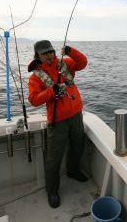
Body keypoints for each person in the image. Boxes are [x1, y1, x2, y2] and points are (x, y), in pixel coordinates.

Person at [27, 40, 88, 208]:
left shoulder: (65, 63)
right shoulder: (35, 77)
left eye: (51, 51)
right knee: (54, 158)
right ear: (37, 55)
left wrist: (70, 51)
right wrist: (50, 92)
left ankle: (73, 171)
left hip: (76, 115)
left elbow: (83, 63)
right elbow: (33, 100)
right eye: (45, 53)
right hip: (57, 121)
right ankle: (52, 191)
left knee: (78, 144)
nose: (49, 55)